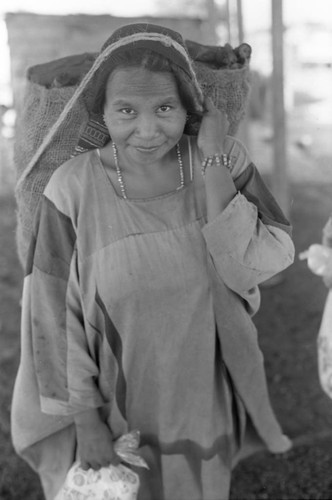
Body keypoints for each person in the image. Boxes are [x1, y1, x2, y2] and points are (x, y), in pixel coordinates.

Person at [11, 23, 295, 500]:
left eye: (165, 107)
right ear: (100, 112)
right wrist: (86, 419)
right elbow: (51, 312)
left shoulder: (223, 161)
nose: (147, 130)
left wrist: (213, 162)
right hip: (118, 395)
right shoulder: (71, 188)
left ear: (189, 106)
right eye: (126, 111)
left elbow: (257, 261)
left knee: (200, 483)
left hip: (204, 384)